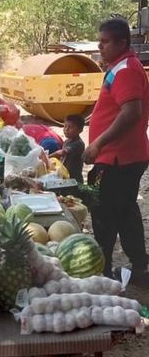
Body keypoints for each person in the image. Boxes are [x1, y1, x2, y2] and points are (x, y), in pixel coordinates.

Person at [83, 18, 149, 282]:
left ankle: (107, 268)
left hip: (118, 159)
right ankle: (139, 266)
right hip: (120, 156)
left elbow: (132, 113)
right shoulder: (121, 67)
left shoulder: (126, 70)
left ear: (122, 43)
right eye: (99, 41)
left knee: (106, 213)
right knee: (124, 210)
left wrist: (98, 143)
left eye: (106, 42)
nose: (100, 47)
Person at [49, 114, 86, 184]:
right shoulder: (66, 141)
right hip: (65, 175)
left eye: (71, 127)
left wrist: (47, 157)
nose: (66, 129)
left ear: (80, 130)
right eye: (65, 126)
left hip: (74, 178)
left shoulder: (78, 143)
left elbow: (63, 153)